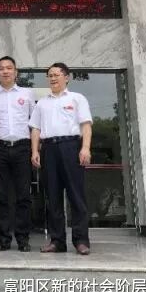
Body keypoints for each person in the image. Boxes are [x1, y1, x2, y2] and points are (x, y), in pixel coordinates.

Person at [30, 62, 93, 256]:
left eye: (56, 75)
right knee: (52, 197)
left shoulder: (77, 98)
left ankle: (81, 241)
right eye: (50, 75)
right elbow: (35, 129)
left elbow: (86, 125)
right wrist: (34, 151)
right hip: (48, 149)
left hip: (71, 147)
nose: (53, 78)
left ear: (66, 77)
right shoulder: (42, 103)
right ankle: (57, 241)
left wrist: (85, 148)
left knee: (76, 196)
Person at [0, 56, 36, 252]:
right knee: (1, 196)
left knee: (23, 196)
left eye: (9, 68)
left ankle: (23, 238)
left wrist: (35, 150)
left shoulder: (27, 94)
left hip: (22, 147)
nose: (5, 71)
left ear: (16, 72)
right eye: (1, 68)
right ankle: (4, 238)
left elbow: (34, 124)